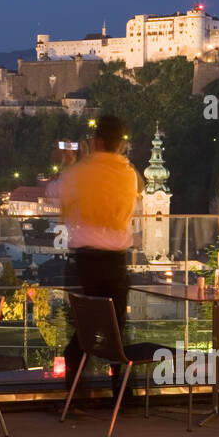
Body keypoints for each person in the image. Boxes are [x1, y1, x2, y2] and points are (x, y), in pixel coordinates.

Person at [57, 115, 138, 399]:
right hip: (117, 262)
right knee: (117, 330)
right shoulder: (130, 175)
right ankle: (122, 395)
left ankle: (76, 397)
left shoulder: (83, 172)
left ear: (98, 140)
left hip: (85, 264)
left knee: (83, 329)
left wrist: (69, 166)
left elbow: (56, 194)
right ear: (120, 144)